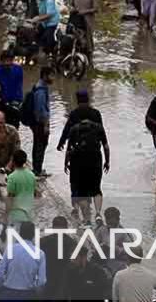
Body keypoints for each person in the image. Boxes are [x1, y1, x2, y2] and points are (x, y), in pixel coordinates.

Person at [55, 88, 109, 223]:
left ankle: (79, 210)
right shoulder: (96, 114)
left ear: (77, 100)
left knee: (77, 184)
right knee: (95, 185)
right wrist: (107, 160)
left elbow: (68, 132)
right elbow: (103, 138)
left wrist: (61, 144)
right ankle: (96, 212)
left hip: (77, 157)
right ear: (88, 99)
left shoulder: (74, 114)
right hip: (95, 156)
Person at [0, 221, 47, 300]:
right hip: (28, 294)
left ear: (19, 234)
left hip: (8, 293)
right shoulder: (40, 254)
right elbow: (41, 282)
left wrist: (0, 289)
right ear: (33, 235)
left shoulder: (10, 250)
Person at [24, 67, 53, 177]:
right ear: (45, 76)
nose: (53, 78)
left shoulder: (39, 87)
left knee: (37, 145)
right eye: (51, 75)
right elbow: (41, 111)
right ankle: (37, 171)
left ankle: (37, 169)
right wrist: (46, 125)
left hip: (36, 123)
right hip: (40, 123)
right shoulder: (41, 90)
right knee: (40, 146)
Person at [5, 148, 36, 225]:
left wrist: (6, 213)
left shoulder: (12, 177)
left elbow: (10, 197)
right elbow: (34, 193)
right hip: (29, 215)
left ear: (13, 161)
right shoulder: (32, 175)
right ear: (25, 161)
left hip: (17, 215)